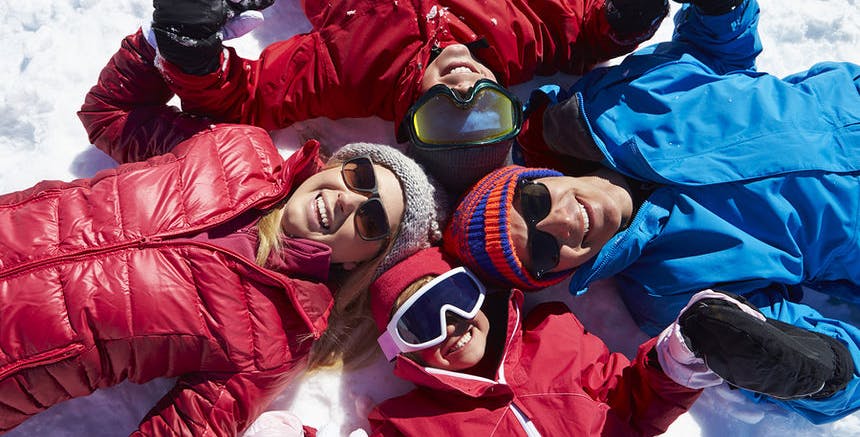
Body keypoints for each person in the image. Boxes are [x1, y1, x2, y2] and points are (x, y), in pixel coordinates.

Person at [0, 35, 447, 437]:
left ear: (358, 263)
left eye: (372, 221)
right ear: (337, 165)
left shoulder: (274, 338)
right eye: (359, 174)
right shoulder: (236, 149)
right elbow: (111, 114)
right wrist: (165, 40)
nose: (351, 200)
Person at [443, 0, 860, 423]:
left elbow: (715, 52)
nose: (559, 223)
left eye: (533, 203)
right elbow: (809, 350)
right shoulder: (673, 291)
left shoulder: (611, 105)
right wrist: (822, 372)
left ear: (538, 175)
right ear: (559, 274)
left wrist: (720, 10)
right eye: (545, 252)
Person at [140, 0, 671, 193]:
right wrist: (621, 22)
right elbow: (582, 35)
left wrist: (192, 54)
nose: (464, 87)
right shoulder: (518, 40)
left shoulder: (350, 70)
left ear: (407, 121)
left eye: (445, 112)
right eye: (487, 106)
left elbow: (245, 97)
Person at [361, 247, 847, 435]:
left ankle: (721, 334)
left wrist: (673, 362)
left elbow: (632, 401)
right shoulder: (411, 423)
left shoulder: (553, 336)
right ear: (401, 354)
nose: (451, 323)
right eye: (420, 323)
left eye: (456, 297)